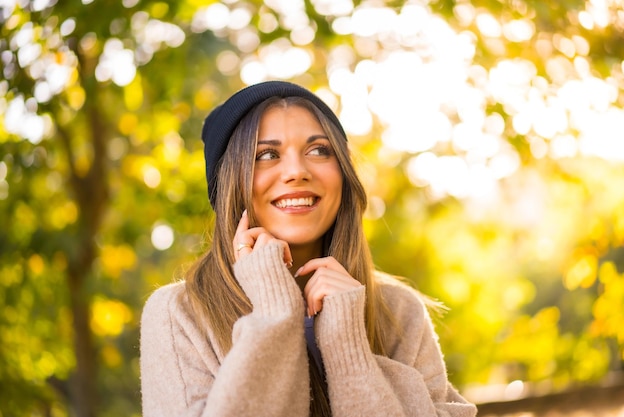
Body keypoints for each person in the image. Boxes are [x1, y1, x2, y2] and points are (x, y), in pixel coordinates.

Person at [140, 80, 477, 417]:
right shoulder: (179, 314)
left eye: (319, 150)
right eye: (266, 155)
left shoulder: (399, 312)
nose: (297, 172)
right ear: (229, 184)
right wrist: (274, 314)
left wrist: (348, 347)